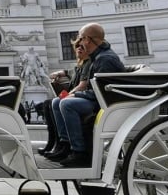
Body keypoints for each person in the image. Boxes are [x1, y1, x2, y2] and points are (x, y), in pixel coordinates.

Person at [49, 23, 124, 167]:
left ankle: (79, 152)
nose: (80, 42)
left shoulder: (105, 59)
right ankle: (65, 145)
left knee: (66, 103)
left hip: (106, 104)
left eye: (81, 38)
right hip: (100, 100)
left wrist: (77, 96)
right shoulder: (98, 57)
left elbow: (102, 92)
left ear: (88, 40)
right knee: (57, 102)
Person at [38, 37, 83, 157]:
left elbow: (83, 86)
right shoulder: (79, 65)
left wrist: (66, 95)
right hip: (74, 94)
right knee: (47, 103)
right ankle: (54, 142)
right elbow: (68, 72)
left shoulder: (87, 64)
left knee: (56, 101)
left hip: (79, 96)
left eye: (81, 48)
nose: (78, 50)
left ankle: (62, 144)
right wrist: (58, 73)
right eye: (77, 47)